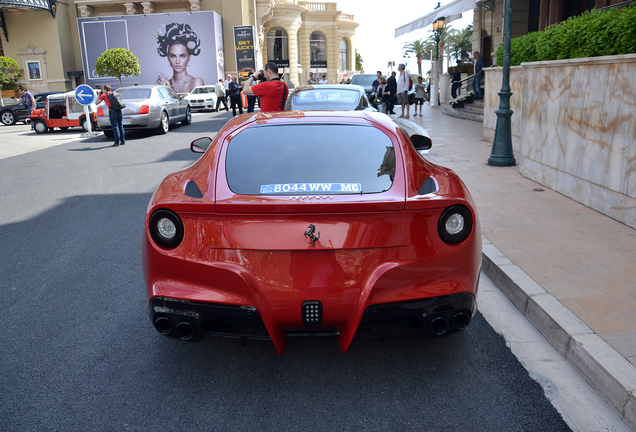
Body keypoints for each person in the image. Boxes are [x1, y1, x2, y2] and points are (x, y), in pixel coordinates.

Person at [155, 23, 204, 94]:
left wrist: (167, 89)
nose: (177, 61)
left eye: (182, 56)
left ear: (189, 57)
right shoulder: (164, 84)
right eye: (173, 56)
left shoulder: (196, 82)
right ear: (168, 58)